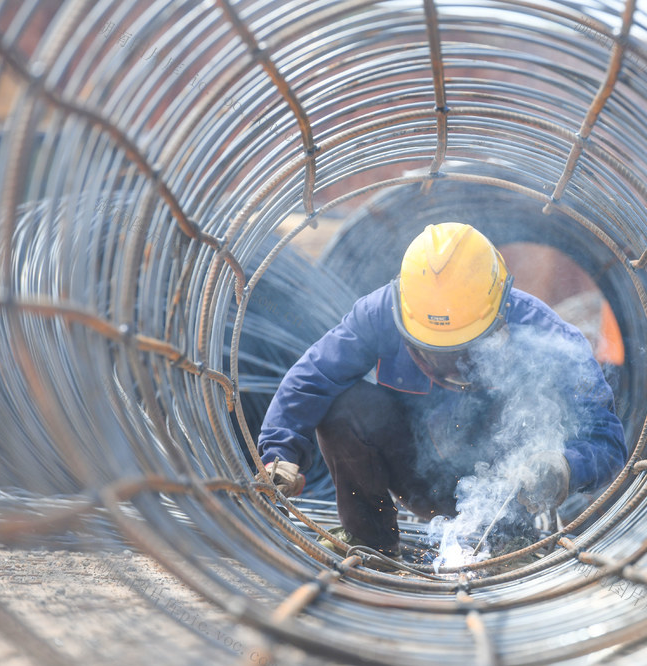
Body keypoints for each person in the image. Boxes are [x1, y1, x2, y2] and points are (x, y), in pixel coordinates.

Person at [257, 222, 627, 558]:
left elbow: (607, 440)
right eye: (433, 350)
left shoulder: (547, 336)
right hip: (417, 477)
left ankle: (511, 542)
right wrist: (280, 450)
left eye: (465, 348)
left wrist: (563, 468)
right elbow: (314, 375)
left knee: (528, 409)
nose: (450, 364)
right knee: (346, 408)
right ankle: (369, 541)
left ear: (499, 314)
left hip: (507, 491)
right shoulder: (382, 313)